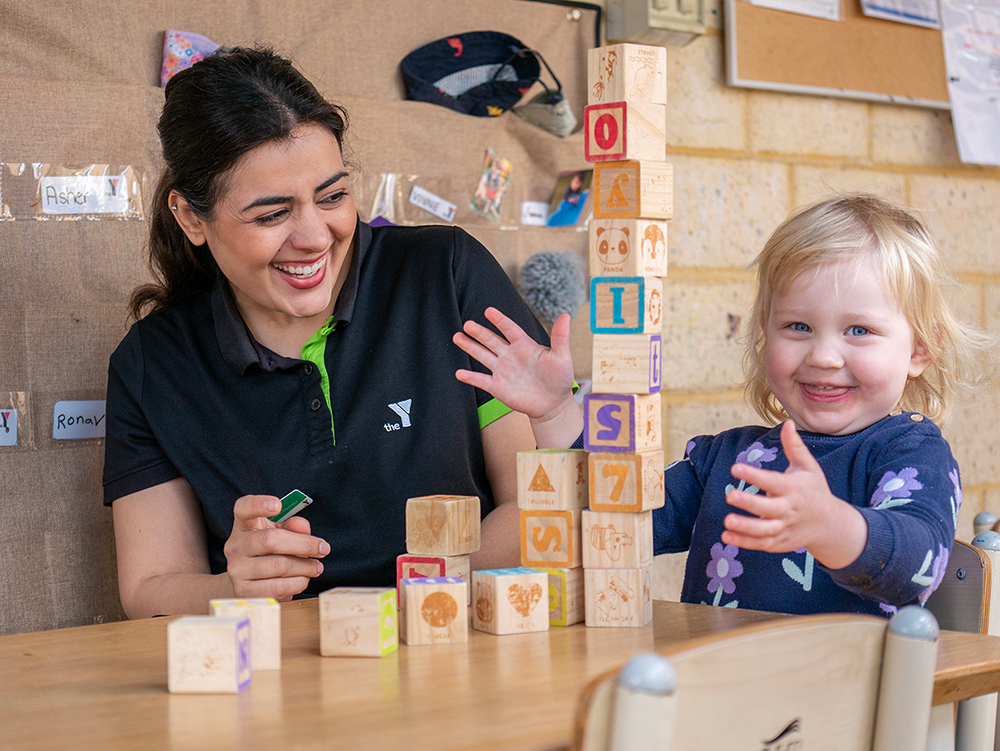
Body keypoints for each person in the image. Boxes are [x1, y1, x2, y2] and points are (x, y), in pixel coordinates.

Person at [102, 47, 546, 619]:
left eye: (333, 196)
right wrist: (236, 587)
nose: (314, 237)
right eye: (271, 215)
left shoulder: (446, 275)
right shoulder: (153, 364)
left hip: (454, 638)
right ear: (191, 217)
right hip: (278, 682)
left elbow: (536, 503)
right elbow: (150, 587)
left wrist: (399, 617)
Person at [454, 193, 993, 615]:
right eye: (797, 326)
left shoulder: (910, 452)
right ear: (764, 334)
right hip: (717, 700)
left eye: (859, 330)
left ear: (920, 348)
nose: (825, 356)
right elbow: (618, 517)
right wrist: (553, 413)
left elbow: (918, 564)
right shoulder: (727, 461)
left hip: (832, 713)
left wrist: (832, 525)